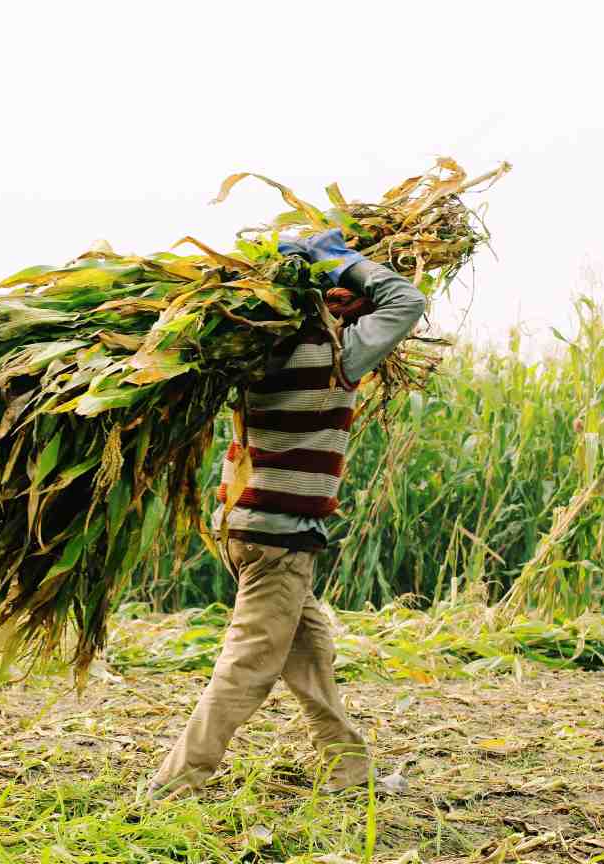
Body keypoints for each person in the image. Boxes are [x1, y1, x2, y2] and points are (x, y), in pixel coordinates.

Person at [146, 228, 426, 799]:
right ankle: (175, 785)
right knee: (249, 665)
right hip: (281, 537)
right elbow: (407, 301)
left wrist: (325, 288)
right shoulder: (332, 357)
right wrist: (342, 261)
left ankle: (350, 773)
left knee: (311, 651)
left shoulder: (251, 356)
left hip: (244, 528)